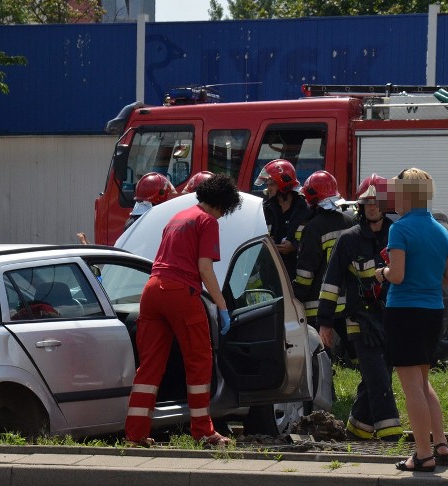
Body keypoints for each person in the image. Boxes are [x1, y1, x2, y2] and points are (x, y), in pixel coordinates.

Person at [124, 173, 242, 448]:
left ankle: (136, 435)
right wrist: (222, 306)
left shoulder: (177, 217)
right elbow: (204, 268)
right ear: (224, 204)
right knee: (199, 361)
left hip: (152, 290)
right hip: (180, 292)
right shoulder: (207, 220)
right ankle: (203, 432)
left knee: (149, 367)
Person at [376, 168, 448, 472]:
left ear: (407, 195)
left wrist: (380, 272)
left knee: (411, 387)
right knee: (423, 383)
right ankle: (441, 445)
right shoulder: (441, 231)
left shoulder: (400, 229)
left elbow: (396, 276)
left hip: (404, 312)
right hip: (432, 312)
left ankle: (423, 454)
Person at [318, 174, 403, 441]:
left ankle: (358, 428)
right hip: (360, 320)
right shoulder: (348, 239)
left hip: (392, 318)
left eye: (377, 203)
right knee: (378, 377)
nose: (372, 208)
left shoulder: (396, 235)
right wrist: (326, 322)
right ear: (361, 207)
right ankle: (390, 435)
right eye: (367, 204)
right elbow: (331, 284)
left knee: (377, 375)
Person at [294, 170, 355, 329]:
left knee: (321, 352)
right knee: (353, 352)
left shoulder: (313, 228)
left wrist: (294, 298)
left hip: (319, 308)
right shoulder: (351, 220)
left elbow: (305, 274)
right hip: (350, 303)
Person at [254, 159, 310, 280]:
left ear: (284, 184)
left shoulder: (305, 209)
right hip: (270, 272)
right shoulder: (265, 209)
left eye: (272, 183)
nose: (268, 188)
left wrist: (294, 246)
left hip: (298, 273)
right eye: (267, 184)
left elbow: (314, 242)